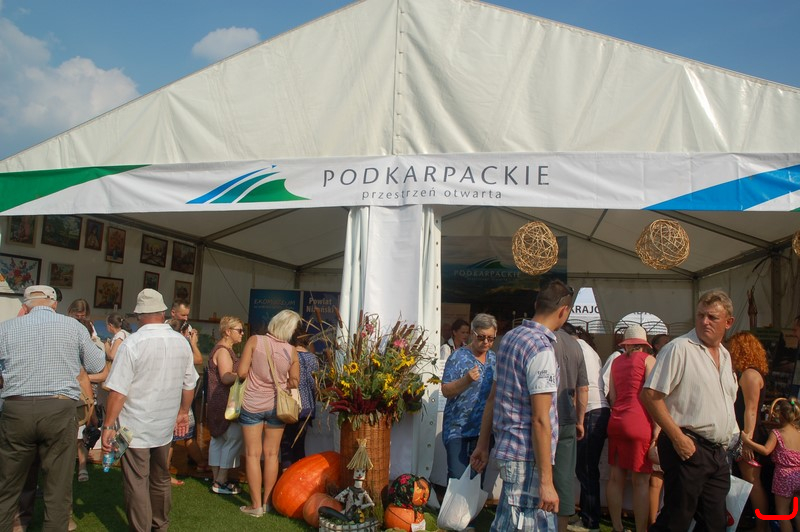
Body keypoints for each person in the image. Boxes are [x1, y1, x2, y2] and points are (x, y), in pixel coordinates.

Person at [471, 280, 575, 532]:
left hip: (511, 450)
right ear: (564, 311)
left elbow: (493, 397)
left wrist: (483, 444)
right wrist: (547, 482)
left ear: (536, 304)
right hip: (527, 457)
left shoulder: (510, 339)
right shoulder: (541, 349)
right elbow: (540, 418)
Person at [0, 285, 106, 531]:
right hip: (59, 409)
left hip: (17, 409)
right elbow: (97, 364)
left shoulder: (5, 328)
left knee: (7, 485)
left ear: (25, 306)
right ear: (55, 303)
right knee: (58, 486)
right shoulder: (73, 327)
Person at [641, 289, 738, 531]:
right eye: (700, 315)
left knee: (715, 523)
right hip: (687, 447)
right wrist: (678, 438)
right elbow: (650, 395)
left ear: (728, 322)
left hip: (716, 453)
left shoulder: (725, 355)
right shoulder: (680, 348)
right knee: (676, 520)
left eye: (712, 317)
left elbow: (726, 401)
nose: (705, 321)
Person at [102, 288, 198, 532]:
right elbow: (190, 384)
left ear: (139, 316)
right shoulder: (181, 342)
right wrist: (183, 412)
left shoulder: (133, 343)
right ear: (163, 313)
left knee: (137, 481)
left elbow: (118, 391)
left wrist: (108, 425)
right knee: (160, 477)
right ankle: (160, 525)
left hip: (135, 425)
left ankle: (143, 528)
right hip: (164, 423)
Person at [236, 309, 300, 517]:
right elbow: (294, 382)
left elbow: (242, 373)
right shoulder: (292, 351)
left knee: (253, 454)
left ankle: (255, 506)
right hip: (277, 407)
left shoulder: (255, 341)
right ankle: (268, 503)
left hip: (252, 404)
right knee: (272, 454)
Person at [606, 324, 656, 532]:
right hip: (639, 422)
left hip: (616, 420)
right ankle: (641, 529)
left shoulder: (616, 362)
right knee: (641, 482)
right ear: (643, 344)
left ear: (626, 344)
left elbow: (612, 396)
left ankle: (617, 527)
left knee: (615, 478)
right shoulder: (648, 360)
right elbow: (652, 396)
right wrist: (658, 428)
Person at [441, 313, 497, 481]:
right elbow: (446, 390)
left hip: (483, 432)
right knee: (457, 478)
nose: (486, 342)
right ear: (473, 333)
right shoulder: (457, 357)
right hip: (458, 429)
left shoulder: (494, 359)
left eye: (491, 338)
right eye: (481, 337)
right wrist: (466, 380)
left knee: (475, 481)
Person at [568, 325, 609, 532]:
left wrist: (579, 419)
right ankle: (586, 515)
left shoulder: (577, 349)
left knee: (586, 468)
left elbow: (580, 386)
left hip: (590, 412)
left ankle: (590, 521)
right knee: (586, 468)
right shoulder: (590, 350)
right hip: (597, 411)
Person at [729, 331, 770, 532]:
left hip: (749, 436)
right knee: (751, 481)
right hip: (748, 434)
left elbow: (751, 410)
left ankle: (761, 526)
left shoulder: (749, 375)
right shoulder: (751, 374)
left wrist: (747, 441)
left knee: (752, 482)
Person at [741, 397, 800, 532]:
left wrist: (747, 441)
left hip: (784, 476)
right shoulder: (798, 433)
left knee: (783, 513)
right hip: (798, 475)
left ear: (781, 415)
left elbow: (766, 450)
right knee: (797, 513)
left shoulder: (777, 433)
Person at [551, 324, 588, 532]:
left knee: (539, 474)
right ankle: (561, 527)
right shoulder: (576, 346)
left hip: (546, 417)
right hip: (567, 418)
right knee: (564, 477)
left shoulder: (544, 340)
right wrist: (580, 420)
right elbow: (583, 388)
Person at [206, 316, 246, 495]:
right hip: (225, 403)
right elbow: (226, 377)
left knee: (218, 440)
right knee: (233, 438)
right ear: (228, 332)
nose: (242, 334)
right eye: (239, 330)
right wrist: (245, 374)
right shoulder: (223, 351)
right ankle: (221, 480)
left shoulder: (222, 349)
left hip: (217, 401)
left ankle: (217, 480)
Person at [280, 329, 319, 470]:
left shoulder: (288, 355)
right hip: (308, 405)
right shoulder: (313, 358)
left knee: (286, 443)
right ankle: (299, 474)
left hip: (290, 404)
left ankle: (287, 474)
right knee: (300, 444)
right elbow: (315, 384)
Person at [646, 333, 670, 527]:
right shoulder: (656, 364)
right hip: (664, 425)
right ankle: (653, 521)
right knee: (658, 477)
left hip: (667, 425)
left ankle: (656, 521)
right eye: (665, 343)